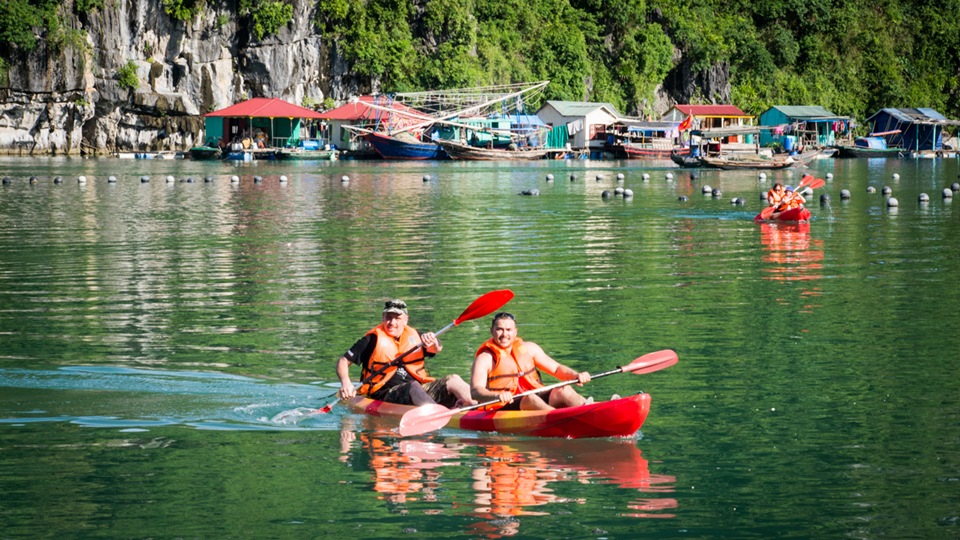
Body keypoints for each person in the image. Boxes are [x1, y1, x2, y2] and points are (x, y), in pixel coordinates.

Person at [335, 299, 477, 408]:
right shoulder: (371, 339)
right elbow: (343, 361)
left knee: (453, 379)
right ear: (383, 317)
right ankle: (435, 414)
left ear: (405, 319)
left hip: (419, 392)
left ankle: (477, 406)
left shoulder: (415, 336)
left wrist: (433, 342)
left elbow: (437, 348)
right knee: (413, 386)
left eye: (397, 318)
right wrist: (346, 383)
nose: (392, 322)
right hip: (383, 394)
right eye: (388, 317)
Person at [470, 312, 591, 411]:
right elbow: (475, 391)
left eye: (508, 329)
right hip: (503, 406)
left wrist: (575, 375)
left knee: (564, 389)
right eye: (499, 330)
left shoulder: (530, 348)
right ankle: (560, 419)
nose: (504, 334)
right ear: (492, 331)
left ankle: (590, 411)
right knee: (530, 399)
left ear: (515, 332)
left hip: (534, 398)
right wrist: (497, 396)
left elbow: (556, 369)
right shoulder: (485, 358)